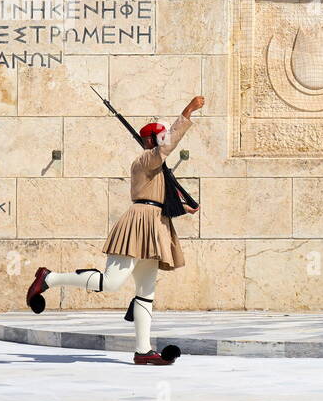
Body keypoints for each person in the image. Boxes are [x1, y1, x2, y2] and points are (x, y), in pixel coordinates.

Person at [25, 95, 205, 365]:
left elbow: (158, 195)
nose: (165, 140)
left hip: (155, 226)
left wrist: (182, 206)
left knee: (146, 292)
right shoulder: (145, 161)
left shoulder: (156, 166)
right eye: (162, 137)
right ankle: (49, 279)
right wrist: (187, 112)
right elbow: (163, 156)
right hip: (139, 224)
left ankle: (143, 351)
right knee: (111, 283)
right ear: (151, 141)